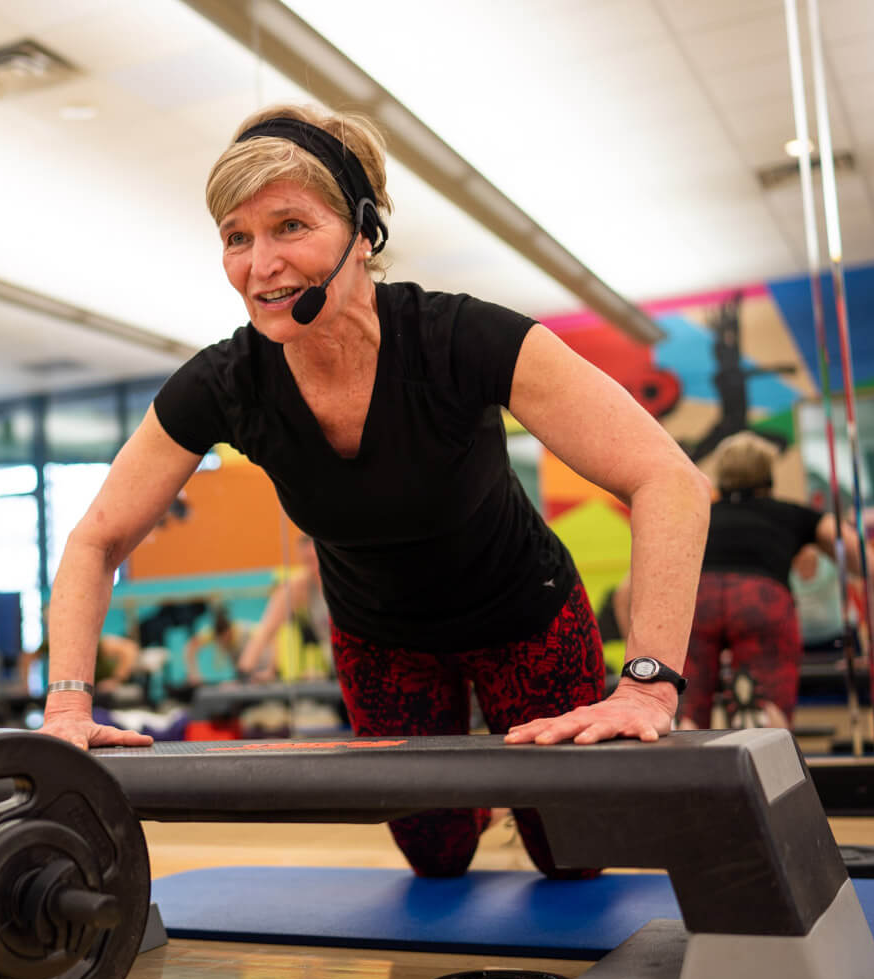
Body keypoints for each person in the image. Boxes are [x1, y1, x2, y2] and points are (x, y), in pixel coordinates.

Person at [38, 103, 711, 879]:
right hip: (381, 641)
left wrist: (650, 687)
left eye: (291, 225)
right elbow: (97, 538)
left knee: (571, 855)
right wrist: (67, 709)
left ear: (364, 232)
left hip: (525, 615)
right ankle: (474, 806)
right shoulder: (227, 383)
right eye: (236, 237)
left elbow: (670, 479)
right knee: (436, 853)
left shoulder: (461, 339)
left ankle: (526, 808)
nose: (261, 266)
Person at [678, 432, 874, 729]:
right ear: (769, 477)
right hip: (760, 601)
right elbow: (873, 570)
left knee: (687, 711)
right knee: (762, 716)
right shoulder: (795, 514)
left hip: (699, 602)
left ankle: (684, 734)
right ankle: (760, 731)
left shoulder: (697, 516)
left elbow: (627, 591)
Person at [235, 533, 331, 683]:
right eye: (307, 561)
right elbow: (267, 630)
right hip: (334, 664)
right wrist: (244, 673)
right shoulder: (299, 587)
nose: (313, 567)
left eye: (314, 560)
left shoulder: (341, 583)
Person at [182, 604, 254, 687]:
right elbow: (190, 647)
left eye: (226, 639)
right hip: (243, 676)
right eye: (221, 641)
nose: (223, 643)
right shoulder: (212, 632)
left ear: (230, 630)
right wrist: (194, 674)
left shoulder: (245, 630)